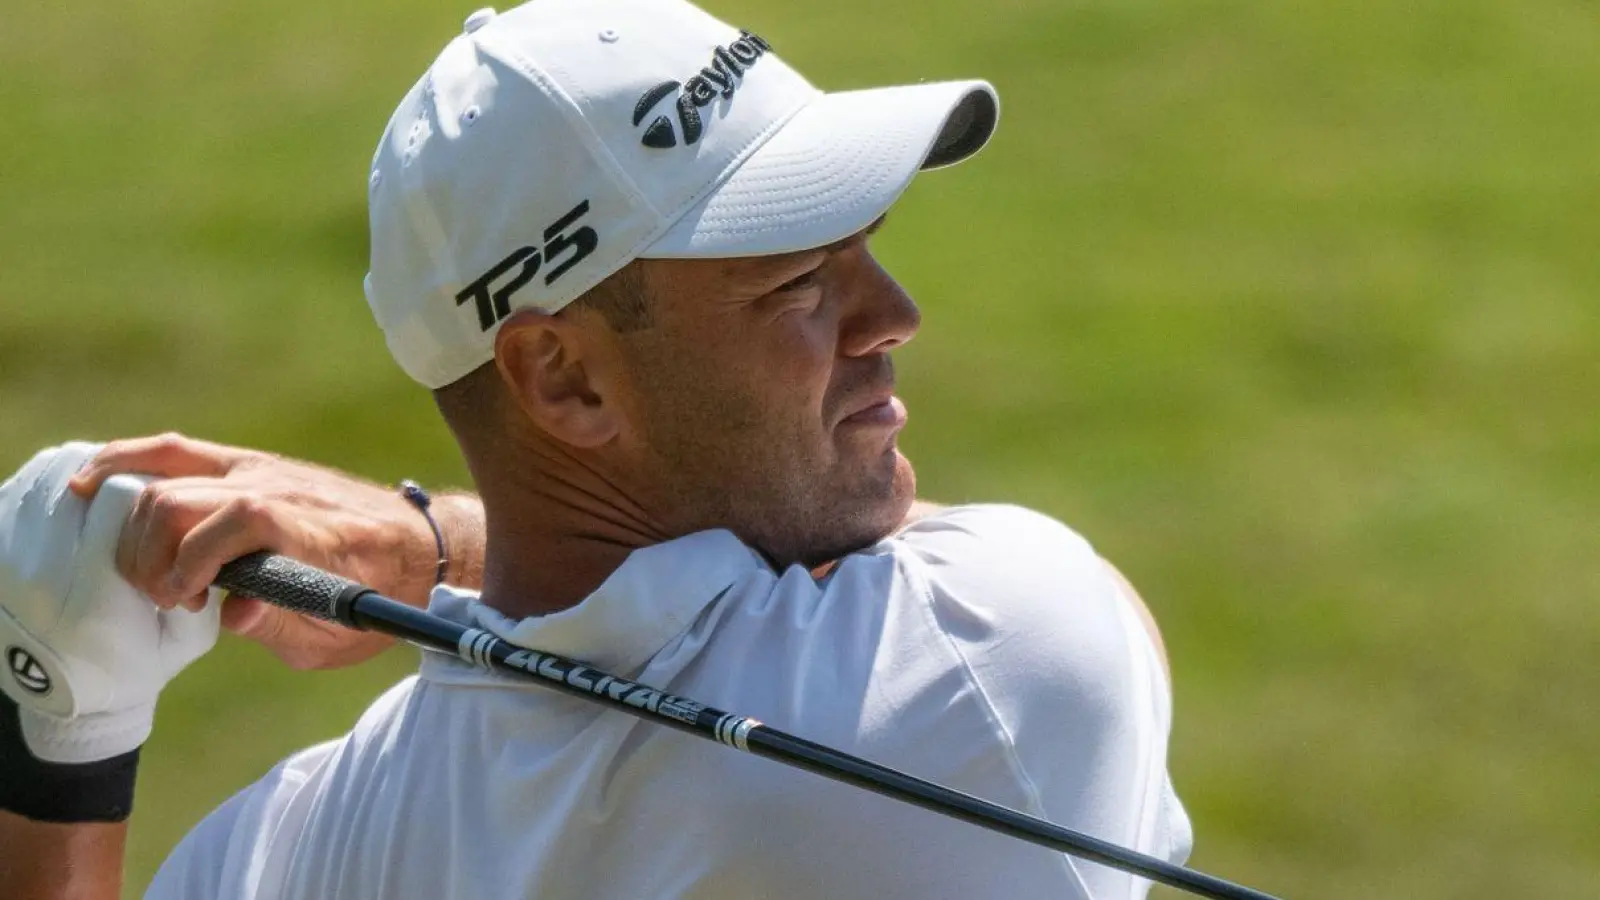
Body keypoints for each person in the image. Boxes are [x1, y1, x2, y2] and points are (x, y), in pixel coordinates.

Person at [0, 0, 1193, 897]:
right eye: (797, 281)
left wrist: (69, 740)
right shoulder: (984, 662)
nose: (892, 315)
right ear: (561, 378)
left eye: (862, 249)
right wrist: (425, 545)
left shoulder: (285, 853)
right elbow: (1093, 605)